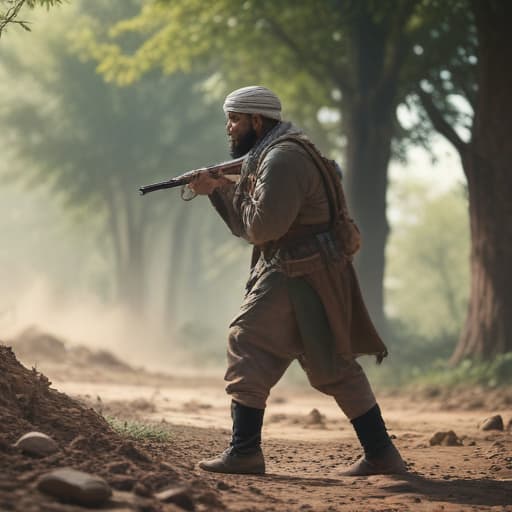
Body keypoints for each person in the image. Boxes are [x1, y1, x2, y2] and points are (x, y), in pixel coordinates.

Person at [189, 85, 406, 477]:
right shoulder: (279, 152)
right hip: (313, 268)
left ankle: (244, 453)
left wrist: (223, 189)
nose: (229, 128)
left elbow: (260, 228)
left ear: (257, 121)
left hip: (295, 268)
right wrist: (220, 188)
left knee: (247, 339)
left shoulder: (281, 159)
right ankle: (381, 453)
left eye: (235, 119)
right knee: (333, 365)